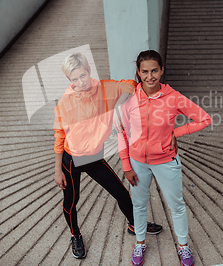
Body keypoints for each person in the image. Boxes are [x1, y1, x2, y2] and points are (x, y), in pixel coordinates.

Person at [53, 53, 162, 259]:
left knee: (120, 192)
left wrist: (119, 105)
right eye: (74, 79)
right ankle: (75, 235)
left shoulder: (104, 88)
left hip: (94, 158)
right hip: (71, 161)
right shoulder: (64, 103)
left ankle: (134, 224)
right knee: (71, 200)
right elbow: (59, 136)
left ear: (89, 71)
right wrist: (58, 169)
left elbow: (130, 84)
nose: (80, 82)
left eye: (82, 76)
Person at [117, 50, 212, 266]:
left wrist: (176, 133)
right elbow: (121, 131)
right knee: (139, 205)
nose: (150, 76)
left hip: (166, 161)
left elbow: (204, 119)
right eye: (145, 72)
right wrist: (126, 165)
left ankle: (183, 246)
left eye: (154, 71)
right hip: (137, 163)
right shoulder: (131, 99)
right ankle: (140, 242)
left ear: (162, 70)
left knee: (176, 205)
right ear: (139, 73)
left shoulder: (174, 97)